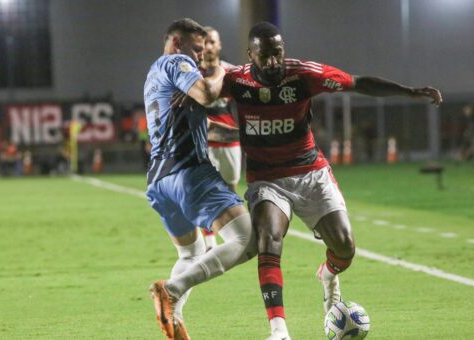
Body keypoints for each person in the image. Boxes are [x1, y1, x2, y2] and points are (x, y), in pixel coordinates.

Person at [221, 22, 442, 340]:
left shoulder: (303, 75)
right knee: (269, 237)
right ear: (250, 55)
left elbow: (357, 82)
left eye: (278, 53)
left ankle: (327, 273)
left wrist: (408, 92)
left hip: (311, 173)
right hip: (266, 179)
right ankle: (279, 330)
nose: (273, 62)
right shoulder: (235, 80)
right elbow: (204, 91)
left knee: (345, 246)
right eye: (265, 55)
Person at [143, 18, 256, 339]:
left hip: (158, 181)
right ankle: (172, 290)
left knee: (191, 254)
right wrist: (219, 69)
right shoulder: (176, 61)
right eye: (195, 48)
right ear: (177, 42)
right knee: (248, 239)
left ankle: (174, 319)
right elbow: (207, 93)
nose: (199, 56)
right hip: (188, 171)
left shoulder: (152, 73)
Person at [199, 26, 242, 250]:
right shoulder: (192, 73)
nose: (208, 47)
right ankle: (209, 241)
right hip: (204, 142)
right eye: (204, 42)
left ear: (219, 45)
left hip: (230, 141)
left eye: (212, 42)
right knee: (205, 190)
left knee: (230, 189)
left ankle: (232, 231)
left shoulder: (231, 72)